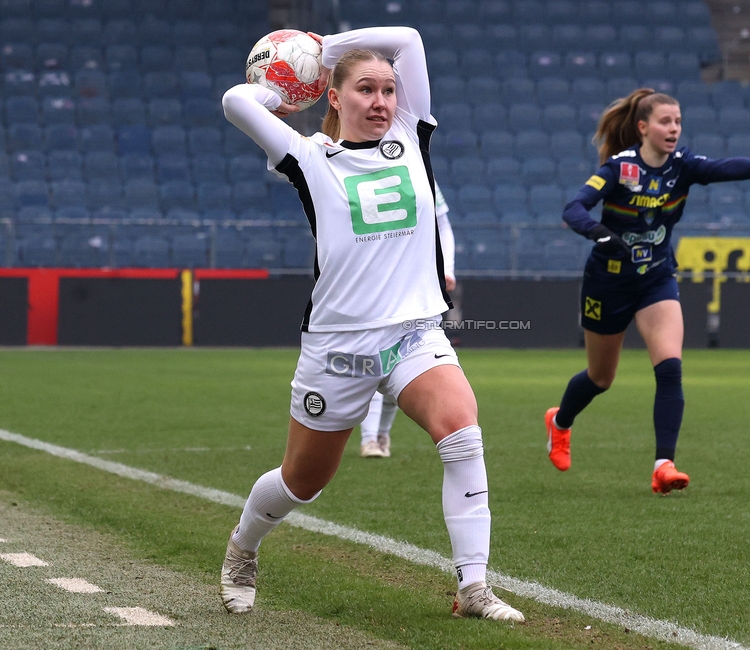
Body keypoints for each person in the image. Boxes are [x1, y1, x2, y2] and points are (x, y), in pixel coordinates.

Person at [219, 26, 523, 622]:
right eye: (365, 89)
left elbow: (407, 38)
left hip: (414, 332)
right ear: (335, 97)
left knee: (462, 433)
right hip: (339, 346)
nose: (382, 100)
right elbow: (236, 101)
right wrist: (294, 76)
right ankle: (243, 548)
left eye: (389, 89)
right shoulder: (308, 156)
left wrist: (323, 43)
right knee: (302, 482)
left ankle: (475, 587)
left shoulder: (412, 134)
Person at [544, 88, 750, 493]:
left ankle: (663, 465)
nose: (674, 129)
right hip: (609, 281)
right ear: (643, 127)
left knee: (669, 368)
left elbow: (726, 168)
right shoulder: (619, 168)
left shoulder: (683, 166)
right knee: (600, 378)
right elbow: (573, 209)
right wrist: (599, 233)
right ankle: (560, 422)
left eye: (678, 122)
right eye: (666, 122)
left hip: (656, 276)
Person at [359, 184, 457, 458]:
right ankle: (369, 439)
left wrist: (446, 267)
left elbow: (443, 223)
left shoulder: (418, 170)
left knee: (401, 358)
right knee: (374, 359)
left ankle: (380, 435)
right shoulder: (351, 167)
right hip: (372, 286)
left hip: (415, 285)